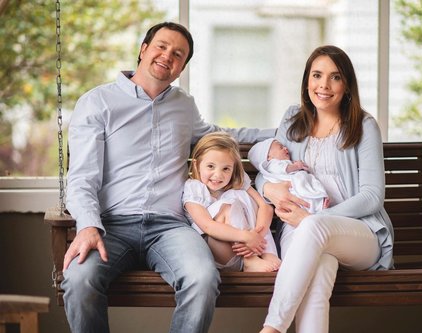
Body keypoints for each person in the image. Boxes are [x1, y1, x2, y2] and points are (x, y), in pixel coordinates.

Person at [61, 22, 274, 333]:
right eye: (161, 46)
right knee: (79, 280)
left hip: (169, 227)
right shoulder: (97, 103)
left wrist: (290, 131)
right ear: (143, 50)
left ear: (181, 69)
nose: (167, 56)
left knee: (202, 279)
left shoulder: (183, 106)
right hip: (111, 225)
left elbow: (225, 135)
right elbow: (81, 179)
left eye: (178, 54)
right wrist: (88, 226)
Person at [257, 45, 394, 333]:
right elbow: (269, 172)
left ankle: (271, 329)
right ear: (307, 81)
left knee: (314, 229)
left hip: (358, 231)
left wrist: (314, 220)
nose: (324, 85)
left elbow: (372, 197)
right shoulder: (293, 120)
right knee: (319, 274)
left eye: (335, 77)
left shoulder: (364, 125)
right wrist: (270, 189)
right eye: (317, 75)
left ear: (347, 85)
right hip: (300, 229)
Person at [183, 132, 281, 272]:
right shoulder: (194, 188)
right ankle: (250, 261)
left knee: (242, 196)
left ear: (233, 168)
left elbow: (266, 207)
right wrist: (245, 236)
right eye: (210, 166)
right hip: (219, 253)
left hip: (250, 245)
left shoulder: (236, 182)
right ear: (196, 164)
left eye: (226, 168)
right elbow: (207, 226)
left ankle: (268, 254)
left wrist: (256, 237)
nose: (218, 175)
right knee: (230, 202)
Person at [248, 137, 330, 214]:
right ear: (268, 157)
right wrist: (296, 166)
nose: (285, 148)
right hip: (290, 188)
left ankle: (319, 204)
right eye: (281, 148)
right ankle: (318, 206)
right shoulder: (272, 164)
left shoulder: (280, 162)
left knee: (307, 187)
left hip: (294, 184)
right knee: (302, 194)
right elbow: (284, 169)